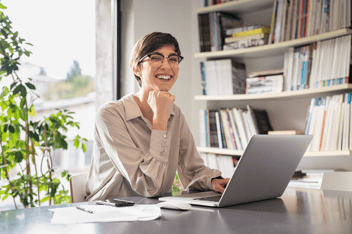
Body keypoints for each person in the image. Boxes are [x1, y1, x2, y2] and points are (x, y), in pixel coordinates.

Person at [85, 32, 229, 201]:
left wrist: (213, 181)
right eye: (156, 57)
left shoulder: (176, 114)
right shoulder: (109, 115)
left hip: (154, 210)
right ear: (136, 67)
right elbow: (149, 186)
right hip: (109, 213)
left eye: (173, 59)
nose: (167, 67)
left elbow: (192, 169)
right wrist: (160, 120)